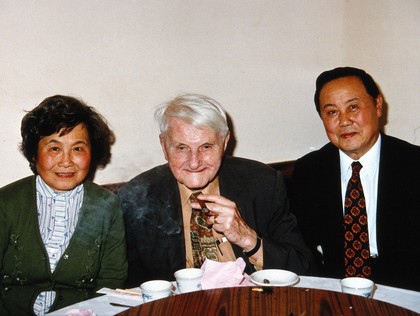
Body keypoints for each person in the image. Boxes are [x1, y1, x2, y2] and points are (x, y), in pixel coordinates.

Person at [118, 93, 312, 287]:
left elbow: (304, 268)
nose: (194, 162)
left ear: (225, 142)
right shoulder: (137, 196)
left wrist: (247, 238)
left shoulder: (263, 184)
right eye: (182, 148)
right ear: (164, 146)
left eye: (206, 146)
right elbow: (129, 286)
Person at [291, 67, 420, 291]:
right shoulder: (309, 171)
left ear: (378, 106)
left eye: (353, 107)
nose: (344, 121)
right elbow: (304, 249)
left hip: (408, 287)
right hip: (335, 289)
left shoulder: (414, 164)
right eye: (332, 112)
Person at [0, 95, 127, 315]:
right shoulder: (6, 203)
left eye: (78, 149)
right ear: (33, 154)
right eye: (54, 149)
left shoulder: (107, 206)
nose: (66, 161)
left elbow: (112, 280)